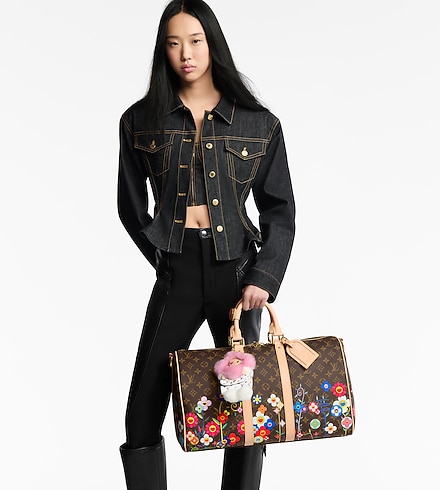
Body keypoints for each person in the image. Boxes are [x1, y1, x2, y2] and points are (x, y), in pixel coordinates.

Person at [117, 1, 295, 489]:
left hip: (236, 276)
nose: (186, 54)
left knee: (246, 405)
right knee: (142, 408)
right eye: (173, 43)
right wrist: (162, 256)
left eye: (195, 41)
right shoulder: (139, 121)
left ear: (212, 43)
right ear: (163, 50)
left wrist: (263, 277)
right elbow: (131, 207)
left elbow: (279, 210)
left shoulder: (259, 123)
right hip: (176, 272)